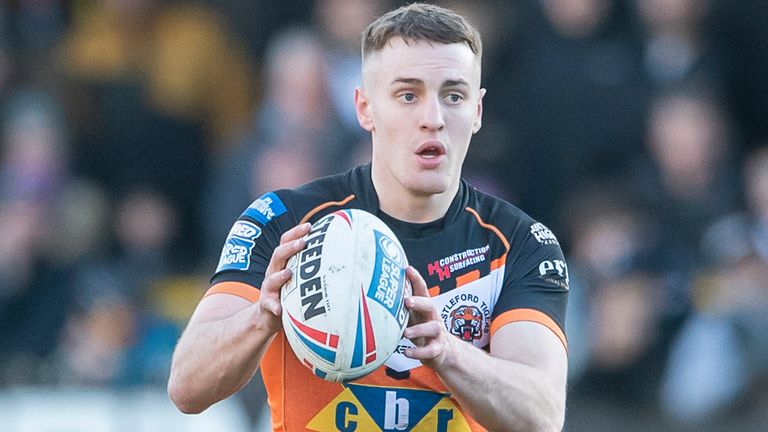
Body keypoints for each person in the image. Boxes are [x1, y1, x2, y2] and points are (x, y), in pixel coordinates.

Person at [168, 4, 569, 431]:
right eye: (408, 95)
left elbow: (542, 416)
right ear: (365, 109)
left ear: (477, 112)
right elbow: (186, 388)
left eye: (453, 95)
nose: (432, 119)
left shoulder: (520, 242)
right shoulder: (286, 222)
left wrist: (448, 353)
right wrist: (261, 316)